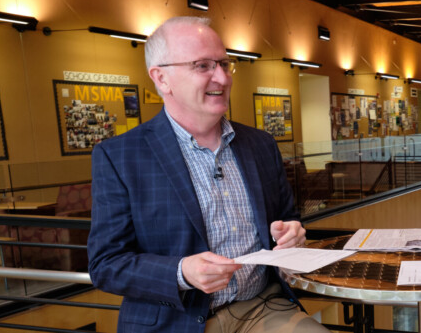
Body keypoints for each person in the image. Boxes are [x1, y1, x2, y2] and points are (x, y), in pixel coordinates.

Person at [87, 16, 329, 333]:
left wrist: (293, 233)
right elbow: (106, 265)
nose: (222, 78)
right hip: (175, 319)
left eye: (224, 64)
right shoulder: (119, 156)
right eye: (203, 66)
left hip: (262, 307)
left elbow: (288, 218)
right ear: (161, 79)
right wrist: (181, 271)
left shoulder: (260, 144)